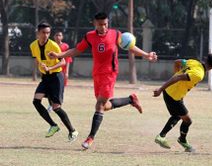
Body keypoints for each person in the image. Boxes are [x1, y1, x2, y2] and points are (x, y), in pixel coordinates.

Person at [48, 12, 158, 149]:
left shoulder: (116, 34)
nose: (104, 27)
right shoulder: (90, 36)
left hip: (110, 74)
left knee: (99, 104)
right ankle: (130, 99)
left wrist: (147, 55)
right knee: (104, 106)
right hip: (97, 74)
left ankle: (90, 138)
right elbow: (77, 50)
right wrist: (59, 54)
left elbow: (130, 47)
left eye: (105, 24)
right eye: (100, 24)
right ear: (95, 23)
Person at [153, 53, 212, 152]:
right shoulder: (199, 74)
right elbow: (178, 78)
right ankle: (174, 138)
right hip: (174, 96)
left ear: (206, 60)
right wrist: (160, 89)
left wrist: (175, 75)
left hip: (170, 92)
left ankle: (165, 137)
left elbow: (177, 62)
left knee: (177, 116)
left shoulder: (194, 62)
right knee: (187, 120)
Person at [30, 22, 78, 142]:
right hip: (45, 78)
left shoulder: (53, 46)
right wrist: (39, 70)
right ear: (38, 33)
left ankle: (72, 131)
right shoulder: (33, 46)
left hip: (56, 77)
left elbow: (63, 62)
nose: (46, 35)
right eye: (43, 33)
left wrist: (50, 68)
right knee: (36, 101)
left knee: (56, 107)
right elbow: (36, 59)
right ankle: (53, 125)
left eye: (48, 33)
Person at [47, 31, 73, 112]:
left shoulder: (65, 46)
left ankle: (58, 104)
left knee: (60, 89)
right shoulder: (51, 45)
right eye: (56, 35)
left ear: (62, 37)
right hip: (53, 69)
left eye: (60, 35)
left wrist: (67, 72)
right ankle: (51, 104)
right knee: (50, 88)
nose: (58, 37)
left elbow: (68, 59)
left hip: (63, 70)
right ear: (54, 37)